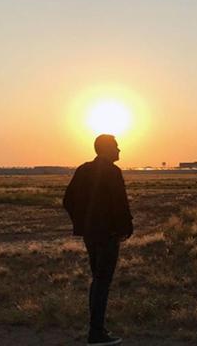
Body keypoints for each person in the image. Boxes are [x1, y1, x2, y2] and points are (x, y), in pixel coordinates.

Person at [63, 134, 133, 346]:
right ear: (106, 149)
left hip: (91, 235)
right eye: (116, 146)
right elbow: (120, 205)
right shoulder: (112, 172)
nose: (119, 150)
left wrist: (83, 223)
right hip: (108, 235)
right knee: (103, 281)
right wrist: (124, 228)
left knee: (97, 280)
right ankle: (96, 333)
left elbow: (68, 201)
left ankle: (96, 329)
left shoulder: (83, 170)